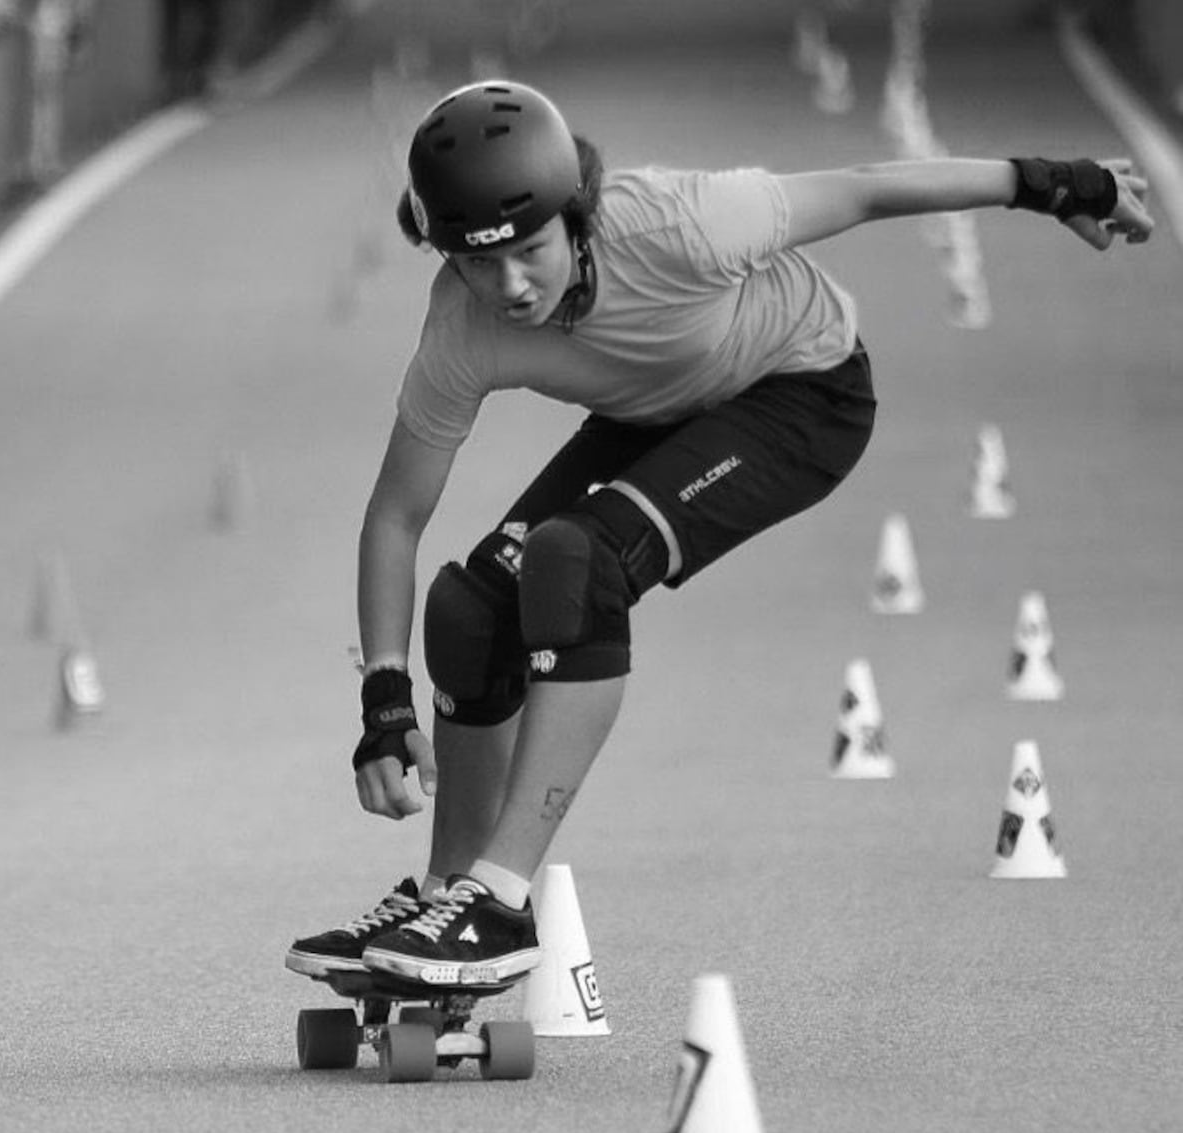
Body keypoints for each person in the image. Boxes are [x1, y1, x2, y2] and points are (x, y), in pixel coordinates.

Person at [284, 80, 1153, 990]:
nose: (510, 286)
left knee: (575, 561)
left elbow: (865, 189)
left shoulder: (683, 224)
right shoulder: (460, 327)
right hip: (655, 412)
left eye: (530, 250)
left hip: (802, 394)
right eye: (477, 263)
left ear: (574, 216)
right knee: (470, 608)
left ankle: (498, 902)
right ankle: (445, 898)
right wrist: (384, 703)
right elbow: (396, 515)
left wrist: (1052, 183)